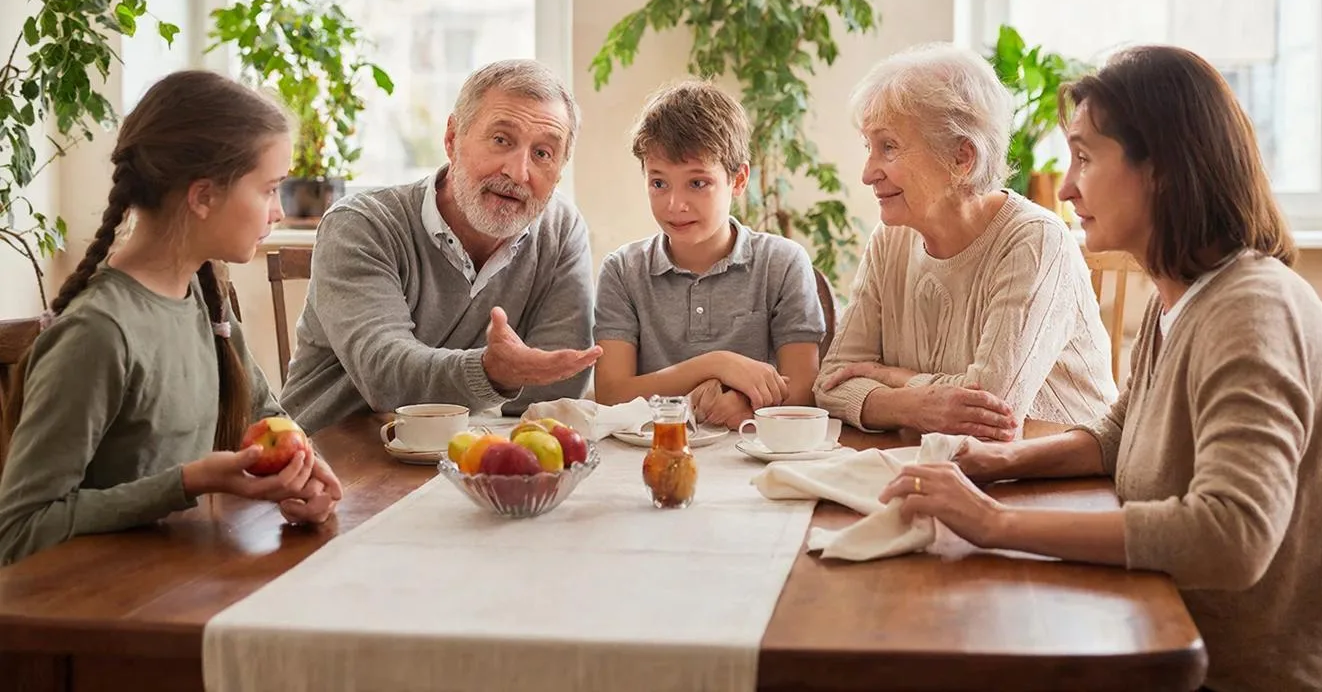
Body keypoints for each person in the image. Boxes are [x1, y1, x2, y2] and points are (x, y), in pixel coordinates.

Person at [885, 45, 1322, 692]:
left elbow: (1232, 535)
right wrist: (993, 463)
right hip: (1159, 634)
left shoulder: (1251, 314)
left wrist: (998, 524)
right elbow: (1118, 435)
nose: (1067, 187)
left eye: (1085, 157)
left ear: (1161, 168)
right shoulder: (1186, 296)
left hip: (1235, 673)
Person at [0, 70, 340, 566]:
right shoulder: (98, 333)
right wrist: (189, 482)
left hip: (176, 586)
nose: (277, 214)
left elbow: (267, 414)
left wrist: (307, 468)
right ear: (202, 196)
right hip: (102, 613)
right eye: (268, 190)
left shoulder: (206, 294)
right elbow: (19, 531)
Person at [279, 59, 602, 434]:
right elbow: (385, 378)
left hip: (466, 460)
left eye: (543, 153)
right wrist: (490, 372)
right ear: (452, 138)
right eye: (501, 140)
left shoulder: (560, 229)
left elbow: (554, 389)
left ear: (560, 170)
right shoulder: (362, 224)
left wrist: (494, 380)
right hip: (328, 465)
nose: (518, 172)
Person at [813, 43, 1116, 440]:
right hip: (946, 466)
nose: (869, 173)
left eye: (888, 147)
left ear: (962, 158)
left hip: (1064, 479)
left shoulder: (1035, 240)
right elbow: (830, 385)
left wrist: (891, 378)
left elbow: (989, 411)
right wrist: (917, 406)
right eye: (869, 147)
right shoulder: (891, 239)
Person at [593, 80, 825, 427]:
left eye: (697, 183)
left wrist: (749, 404)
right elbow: (611, 394)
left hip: (752, 451)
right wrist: (714, 364)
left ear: (739, 180)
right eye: (659, 183)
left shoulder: (782, 263)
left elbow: (804, 388)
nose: (675, 204)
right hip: (652, 452)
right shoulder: (622, 271)